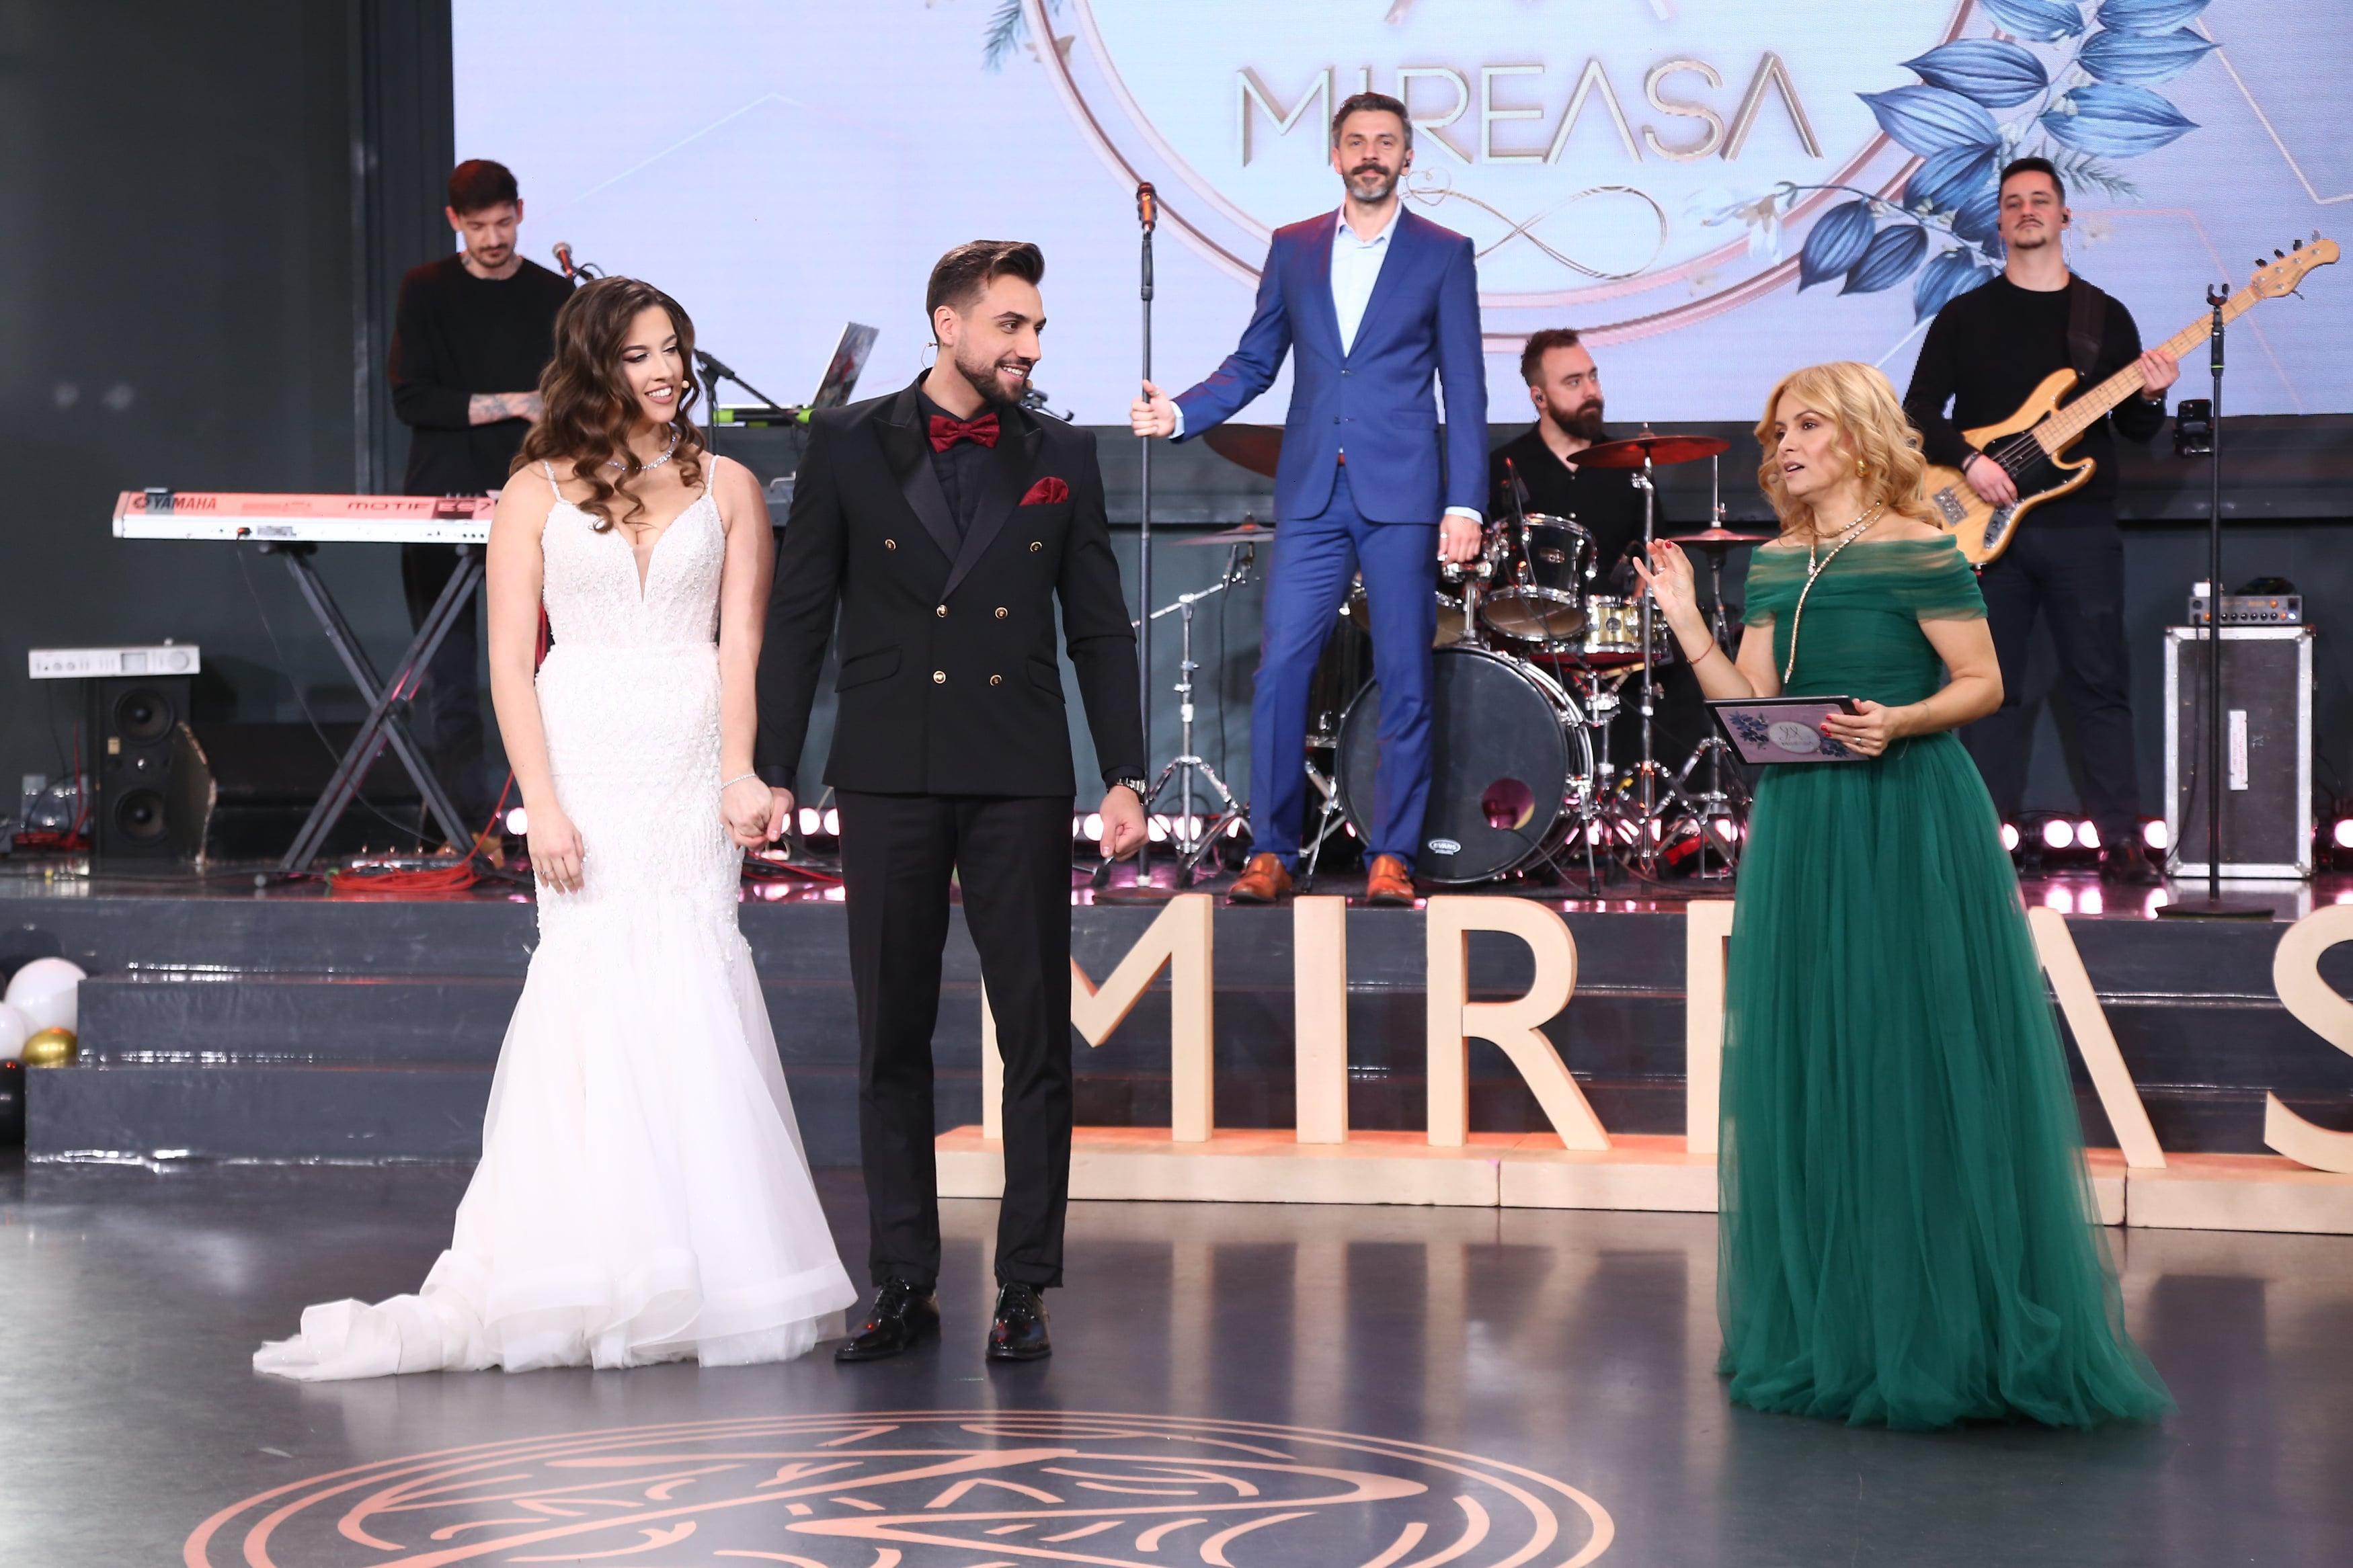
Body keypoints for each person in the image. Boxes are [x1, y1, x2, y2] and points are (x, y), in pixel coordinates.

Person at [255, 278, 855, 1379]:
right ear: (595, 365)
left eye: (674, 349)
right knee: (589, 978)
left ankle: (710, 1271)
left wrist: (741, 769)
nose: (667, 371)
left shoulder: (728, 485)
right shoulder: (531, 491)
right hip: (586, 754)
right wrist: (541, 802)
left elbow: (742, 646)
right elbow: (506, 664)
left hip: (687, 757)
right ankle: (583, 1266)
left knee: (693, 967)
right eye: (641, 354)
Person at [1635, 360, 2171, 1430]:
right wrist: (1689, 620)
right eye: (1777, 431)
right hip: (1804, 824)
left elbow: (1985, 683)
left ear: (1860, 435)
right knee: (1822, 1057)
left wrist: (1902, 720)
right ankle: (1843, 1326)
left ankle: (1945, 1326)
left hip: (1909, 812)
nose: (1786, 445)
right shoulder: (1777, 561)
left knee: (1913, 1052)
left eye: (1808, 425)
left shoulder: (1920, 544)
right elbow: (1753, 712)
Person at [758, 241, 1148, 1364]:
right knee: (892, 1032)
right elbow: (801, 614)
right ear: (949, 324)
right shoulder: (847, 440)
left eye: (1038, 329)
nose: (1031, 348)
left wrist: (1124, 771)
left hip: (1018, 767)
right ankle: (902, 1280)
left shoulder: (1062, 452)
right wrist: (772, 767)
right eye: (1012, 326)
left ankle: (1024, 1285)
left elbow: (1098, 623)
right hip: (889, 766)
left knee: (1034, 1036)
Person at [1131, 91, 1486, 907]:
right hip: (1313, 492)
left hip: (1401, 493)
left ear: (1407, 158)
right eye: (1355, 141)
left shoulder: (1443, 252)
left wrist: (1463, 502)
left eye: (1385, 142)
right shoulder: (1292, 247)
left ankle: (1391, 855)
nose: (1370, 154)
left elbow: (1464, 389)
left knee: (1404, 676)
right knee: (1280, 671)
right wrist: (1182, 412)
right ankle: (1271, 851)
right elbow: (1254, 361)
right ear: (1334, 156)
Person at [1903, 156, 2177, 885]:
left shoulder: (2104, 317)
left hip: (2081, 527)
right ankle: (1976, 842)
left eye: (2040, 200)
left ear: (2063, 216)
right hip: (1983, 527)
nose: (2027, 210)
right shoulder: (1964, 316)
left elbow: (2135, 430)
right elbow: (1916, 411)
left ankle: (2122, 841)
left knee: (2099, 682)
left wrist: (2151, 396)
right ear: (1999, 222)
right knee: (1988, 690)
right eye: (2013, 201)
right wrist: (1969, 462)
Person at [387, 158, 575, 835]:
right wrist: (516, 402)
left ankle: (557, 817)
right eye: (477, 227)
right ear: (454, 222)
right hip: (442, 495)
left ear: (520, 213)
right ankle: (462, 827)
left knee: (551, 665)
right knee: (452, 675)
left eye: (502, 223)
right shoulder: (425, 290)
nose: (493, 239)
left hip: (536, 497)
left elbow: (572, 398)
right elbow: (412, 398)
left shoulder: (554, 294)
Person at [1488, 327, 1706, 773]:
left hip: (1612, 644)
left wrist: (1645, 600)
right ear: (1539, 397)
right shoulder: (1502, 468)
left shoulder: (1629, 467)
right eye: (1573, 382)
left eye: (1593, 376)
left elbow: (1656, 558)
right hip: (1526, 644)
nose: (1591, 391)